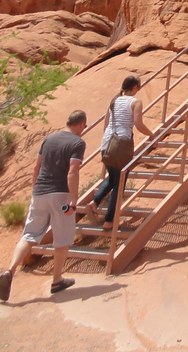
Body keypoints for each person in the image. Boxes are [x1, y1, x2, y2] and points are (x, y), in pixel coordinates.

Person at [0, 109, 88, 301]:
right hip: (60, 195)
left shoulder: (48, 139)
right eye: (85, 126)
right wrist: (73, 200)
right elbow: (73, 171)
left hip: (40, 192)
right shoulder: (77, 143)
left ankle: (9, 271)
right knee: (62, 238)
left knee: (30, 235)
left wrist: (35, 189)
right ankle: (57, 280)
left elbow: (37, 167)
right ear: (81, 124)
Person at [87, 76, 152, 229]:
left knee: (112, 178)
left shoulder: (114, 100)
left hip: (107, 144)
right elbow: (138, 123)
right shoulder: (136, 102)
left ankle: (95, 201)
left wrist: (107, 141)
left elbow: (106, 125)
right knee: (119, 183)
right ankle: (109, 221)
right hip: (121, 144)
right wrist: (151, 134)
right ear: (135, 87)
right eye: (139, 86)